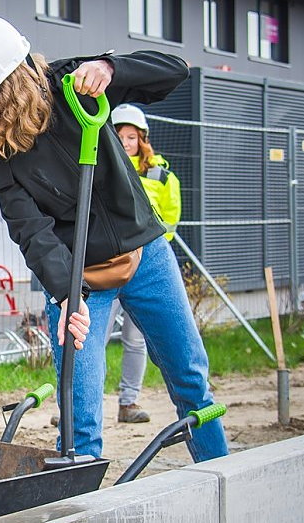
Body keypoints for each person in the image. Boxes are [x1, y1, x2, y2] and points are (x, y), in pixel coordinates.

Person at [0, 17, 227, 462]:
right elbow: (28, 227)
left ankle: (222, 477)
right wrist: (67, 295)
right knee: (79, 411)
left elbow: (175, 69)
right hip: (80, 275)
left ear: (18, 80)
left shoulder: (73, 88)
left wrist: (113, 68)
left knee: (190, 378)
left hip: (145, 253)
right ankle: (84, 503)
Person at [107, 103, 183, 423]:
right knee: (92, 339)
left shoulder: (161, 177)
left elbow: (170, 221)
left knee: (135, 339)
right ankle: (78, 408)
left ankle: (129, 403)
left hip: (144, 268)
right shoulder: (102, 169)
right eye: (119, 136)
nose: (125, 143)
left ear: (143, 140)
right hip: (108, 265)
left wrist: (148, 258)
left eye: (132, 137)